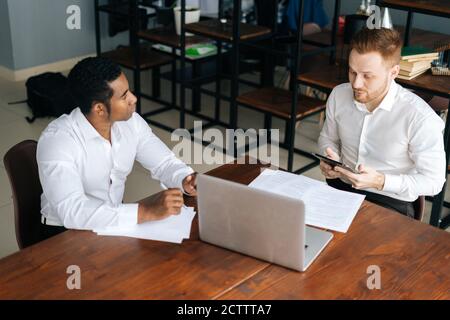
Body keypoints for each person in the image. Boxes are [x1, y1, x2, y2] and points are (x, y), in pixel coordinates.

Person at [37, 57, 197, 237]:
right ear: (99, 109)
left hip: (115, 219)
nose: (133, 99)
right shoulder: (58, 140)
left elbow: (164, 163)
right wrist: (144, 211)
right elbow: (72, 210)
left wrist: (185, 179)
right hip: (64, 233)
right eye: (124, 96)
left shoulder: (131, 123)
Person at [318, 27, 446, 218]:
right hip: (340, 188)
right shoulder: (339, 95)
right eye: (352, 72)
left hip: (388, 200)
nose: (356, 84)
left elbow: (434, 182)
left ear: (393, 72)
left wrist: (380, 181)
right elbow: (327, 139)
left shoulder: (420, 118)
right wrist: (329, 158)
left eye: (367, 76)